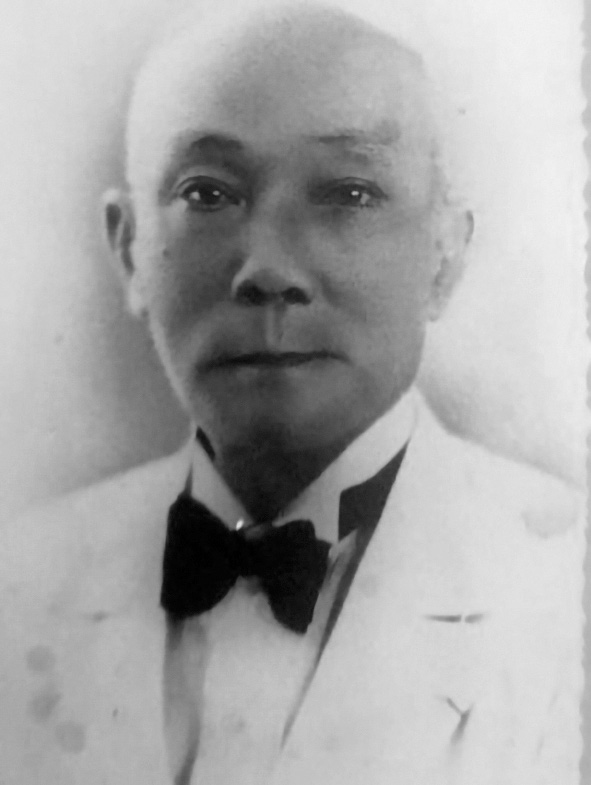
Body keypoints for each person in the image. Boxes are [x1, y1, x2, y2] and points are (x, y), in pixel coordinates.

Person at [0, 2, 583, 784]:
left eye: (348, 193)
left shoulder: (565, 589)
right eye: (208, 194)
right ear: (129, 247)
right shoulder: (18, 581)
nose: (268, 269)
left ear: (443, 255)